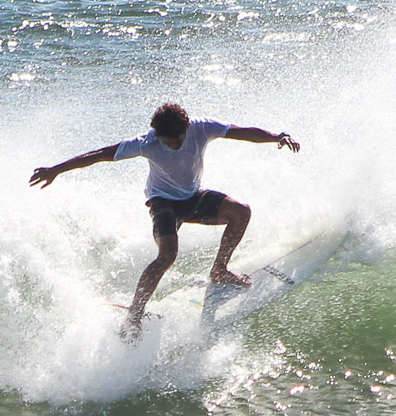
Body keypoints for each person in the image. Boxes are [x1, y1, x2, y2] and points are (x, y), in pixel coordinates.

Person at [30, 103, 300, 338]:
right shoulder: (148, 142)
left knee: (241, 211)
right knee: (167, 255)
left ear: (185, 129)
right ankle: (133, 316)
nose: (170, 145)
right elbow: (100, 154)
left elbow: (242, 133)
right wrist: (56, 170)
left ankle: (219, 270)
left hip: (193, 198)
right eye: (166, 141)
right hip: (162, 203)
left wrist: (277, 136)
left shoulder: (202, 128)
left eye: (175, 140)